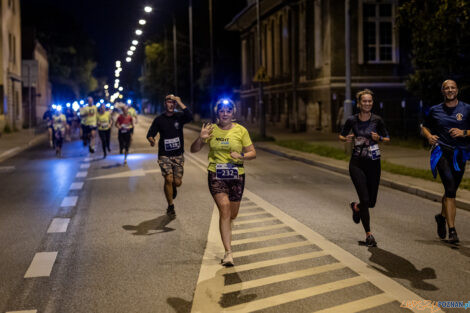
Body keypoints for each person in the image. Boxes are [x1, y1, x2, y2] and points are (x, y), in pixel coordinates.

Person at [190, 99, 256, 266]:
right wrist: (200, 137)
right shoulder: (210, 130)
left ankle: (227, 233)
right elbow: (193, 149)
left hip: (237, 175)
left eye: (228, 110)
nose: (225, 113)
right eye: (222, 110)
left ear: (233, 113)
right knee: (224, 208)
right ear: (217, 112)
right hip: (216, 174)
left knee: (232, 214)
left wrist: (241, 156)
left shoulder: (241, 131)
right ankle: (228, 253)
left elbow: (252, 153)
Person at [339, 89, 390, 247]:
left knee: (371, 202)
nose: (367, 103)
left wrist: (379, 138)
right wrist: (345, 138)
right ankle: (369, 235)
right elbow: (341, 135)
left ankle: (356, 207)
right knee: (365, 199)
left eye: (369, 101)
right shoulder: (352, 120)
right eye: (364, 101)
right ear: (359, 103)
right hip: (357, 164)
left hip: (374, 164)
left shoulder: (377, 120)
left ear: (372, 103)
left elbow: (387, 138)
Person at [421, 79, 470, 244]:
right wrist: (429, 136)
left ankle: (441, 217)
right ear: (443, 91)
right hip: (441, 152)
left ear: (457, 90)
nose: (450, 90)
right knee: (449, 188)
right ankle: (452, 231)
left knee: (452, 190)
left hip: (459, 155)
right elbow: (424, 126)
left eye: (452, 87)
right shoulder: (435, 110)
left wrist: (464, 132)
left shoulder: (467, 108)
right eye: (446, 88)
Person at [146, 94, 192, 217]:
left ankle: (173, 186)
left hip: (178, 154)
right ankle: (170, 206)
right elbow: (150, 134)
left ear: (175, 104)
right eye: (169, 102)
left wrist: (180, 101)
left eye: (173, 103)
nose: (171, 105)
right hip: (164, 154)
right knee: (168, 179)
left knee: (177, 182)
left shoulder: (179, 117)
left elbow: (190, 116)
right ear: (165, 104)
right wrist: (151, 140)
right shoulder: (159, 119)